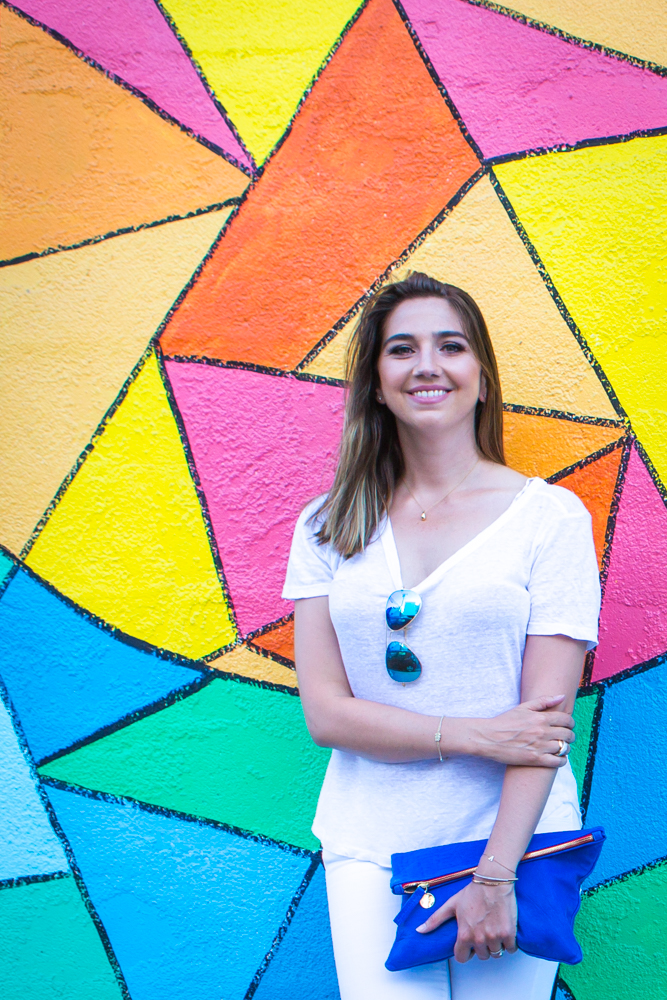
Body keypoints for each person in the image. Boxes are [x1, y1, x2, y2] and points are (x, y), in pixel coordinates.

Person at [282, 272, 600, 999]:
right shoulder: (326, 525)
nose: (427, 365)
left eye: (450, 346)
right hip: (369, 840)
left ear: (482, 378)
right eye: (402, 349)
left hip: (517, 844)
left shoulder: (549, 519)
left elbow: (543, 730)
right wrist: (475, 735)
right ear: (375, 382)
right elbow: (326, 715)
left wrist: (496, 874)